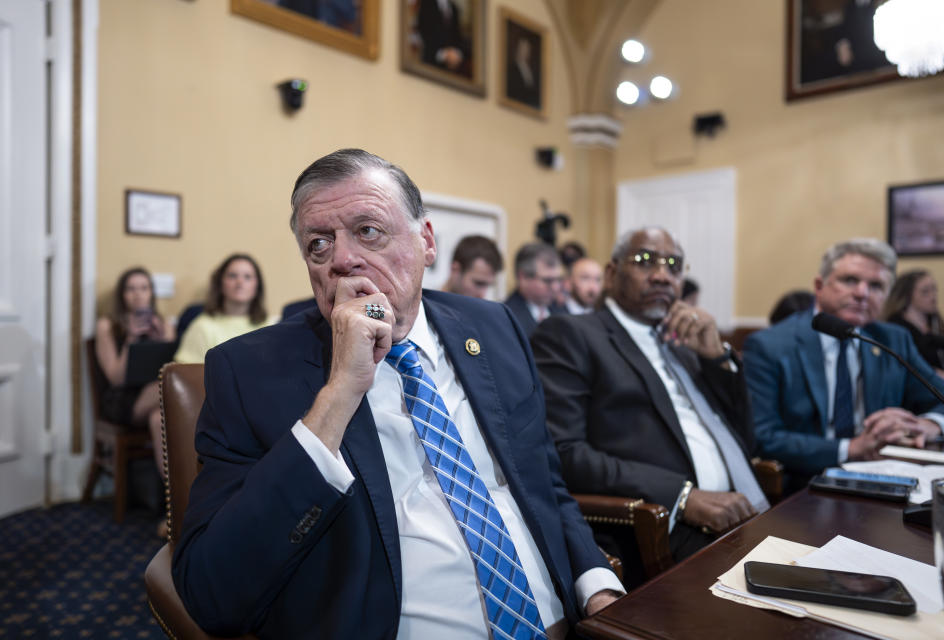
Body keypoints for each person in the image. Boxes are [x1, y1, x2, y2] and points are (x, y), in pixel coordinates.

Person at [172, 149, 622, 639]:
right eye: (318, 245)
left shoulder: (493, 327)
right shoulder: (249, 372)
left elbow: (543, 483)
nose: (342, 260)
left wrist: (598, 587)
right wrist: (340, 392)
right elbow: (212, 592)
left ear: (426, 241)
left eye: (368, 231)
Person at [530, 227, 768, 587]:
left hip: (743, 510)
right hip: (663, 527)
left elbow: (746, 440)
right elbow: (564, 452)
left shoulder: (683, 341)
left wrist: (718, 358)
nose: (661, 274)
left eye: (673, 265)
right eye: (644, 261)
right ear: (611, 274)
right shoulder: (571, 334)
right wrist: (681, 496)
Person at [743, 239, 944, 488]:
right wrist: (851, 448)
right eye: (850, 280)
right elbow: (763, 437)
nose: (862, 293)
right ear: (819, 285)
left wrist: (928, 425)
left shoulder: (892, 340)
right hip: (806, 483)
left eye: (876, 285)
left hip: (884, 476)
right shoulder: (770, 345)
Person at [94, 267, 174, 476]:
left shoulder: (163, 323)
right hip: (122, 399)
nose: (138, 294)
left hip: (155, 398)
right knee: (169, 388)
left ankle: (173, 495)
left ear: (151, 293)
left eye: (144, 288)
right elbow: (115, 378)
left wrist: (163, 339)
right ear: (122, 295)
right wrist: (131, 340)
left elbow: (172, 366)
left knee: (159, 418)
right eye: (131, 289)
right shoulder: (107, 325)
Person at [173, 253, 273, 364]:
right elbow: (185, 375)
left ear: (257, 286)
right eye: (232, 276)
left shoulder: (271, 325)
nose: (240, 282)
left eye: (247, 277)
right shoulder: (202, 326)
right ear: (220, 283)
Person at [882, 270, 944, 388]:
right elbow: (913, 368)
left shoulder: (935, 322)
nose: (933, 296)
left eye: (934, 289)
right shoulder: (897, 328)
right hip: (923, 389)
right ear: (907, 296)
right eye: (925, 292)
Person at [504, 242, 567, 337]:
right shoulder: (507, 317)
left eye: (559, 279)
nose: (555, 287)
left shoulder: (562, 311)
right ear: (523, 277)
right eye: (547, 281)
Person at [441, 234, 503, 299]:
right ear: (455, 270)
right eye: (478, 283)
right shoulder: (430, 307)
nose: (482, 295)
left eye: (488, 286)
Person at [417, 0, 468, 75]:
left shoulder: (454, 9)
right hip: (430, 64)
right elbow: (424, 32)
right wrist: (444, 54)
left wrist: (457, 53)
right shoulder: (426, 3)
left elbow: (458, 37)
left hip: (451, 70)